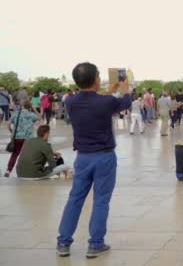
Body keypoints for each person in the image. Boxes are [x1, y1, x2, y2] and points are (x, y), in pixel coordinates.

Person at [56, 62, 131, 259]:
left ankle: (63, 242)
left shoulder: (70, 102)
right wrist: (125, 89)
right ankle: (95, 243)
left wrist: (107, 90)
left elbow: (91, 99)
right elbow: (124, 104)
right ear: (97, 78)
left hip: (82, 157)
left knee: (75, 199)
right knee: (100, 201)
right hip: (104, 156)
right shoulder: (106, 102)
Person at [4, 101, 40, 178]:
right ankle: (27, 171)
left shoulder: (17, 113)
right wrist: (34, 109)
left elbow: (8, 124)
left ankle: (8, 170)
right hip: (28, 139)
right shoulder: (31, 115)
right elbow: (39, 117)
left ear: (23, 106)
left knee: (14, 154)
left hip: (17, 137)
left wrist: (11, 131)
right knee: (27, 155)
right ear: (30, 107)